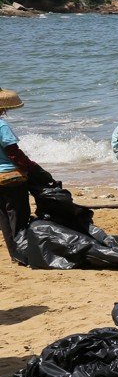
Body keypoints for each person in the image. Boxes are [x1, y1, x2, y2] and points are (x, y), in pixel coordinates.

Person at [1, 88, 50, 263]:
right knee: (19, 216)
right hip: (10, 177)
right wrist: (33, 168)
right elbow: (13, 153)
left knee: (4, 218)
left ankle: (15, 255)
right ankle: (24, 254)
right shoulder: (2, 125)